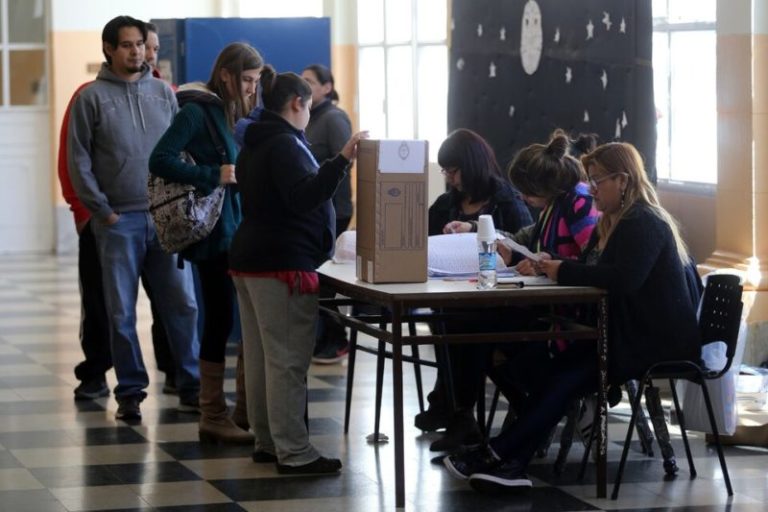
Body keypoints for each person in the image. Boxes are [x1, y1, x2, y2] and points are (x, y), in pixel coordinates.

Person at [443, 141, 700, 492]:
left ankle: (501, 456)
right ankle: (509, 461)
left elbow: (623, 279)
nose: (591, 188)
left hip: (653, 341)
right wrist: (556, 265)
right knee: (556, 372)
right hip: (629, 332)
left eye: (598, 181)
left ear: (622, 181)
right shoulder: (619, 220)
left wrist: (562, 270)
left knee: (563, 376)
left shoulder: (643, 221)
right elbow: (600, 269)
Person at [230, 67, 367, 473]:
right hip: (281, 262)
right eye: (308, 107)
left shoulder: (255, 140)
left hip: (251, 259)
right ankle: (293, 451)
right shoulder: (285, 144)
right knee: (288, 359)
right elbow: (303, 197)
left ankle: (268, 441)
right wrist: (342, 160)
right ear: (297, 103)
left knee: (261, 357)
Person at [67, 15, 200, 420]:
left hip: (164, 220)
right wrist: (101, 211)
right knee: (120, 311)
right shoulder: (90, 98)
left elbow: (182, 151)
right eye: (127, 44)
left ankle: (192, 384)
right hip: (118, 222)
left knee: (183, 305)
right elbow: (78, 161)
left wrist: (182, 200)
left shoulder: (164, 93)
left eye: (140, 44)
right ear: (108, 48)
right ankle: (130, 393)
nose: (136, 51)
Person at [150, 42, 263, 444]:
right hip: (212, 233)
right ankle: (212, 413)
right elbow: (159, 159)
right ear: (227, 74)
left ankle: (240, 411)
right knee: (218, 319)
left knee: (231, 317)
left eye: (256, 82)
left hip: (233, 229)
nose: (252, 89)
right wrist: (214, 174)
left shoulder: (229, 111)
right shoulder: (197, 109)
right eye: (246, 80)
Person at [417, 128, 532, 452]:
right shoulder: (444, 205)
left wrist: (477, 231)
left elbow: (525, 246)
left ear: (471, 166)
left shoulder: (507, 201)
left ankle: (459, 412)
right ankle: (457, 411)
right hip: (456, 298)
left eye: (453, 171)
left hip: (504, 302)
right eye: (446, 172)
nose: (450, 179)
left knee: (461, 328)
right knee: (448, 321)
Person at [300, 64, 354, 364]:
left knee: (327, 282)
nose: (305, 87)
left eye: (310, 82)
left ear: (327, 87)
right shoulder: (309, 117)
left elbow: (345, 163)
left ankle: (338, 340)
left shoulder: (334, 119)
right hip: (313, 206)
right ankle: (323, 338)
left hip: (335, 208)